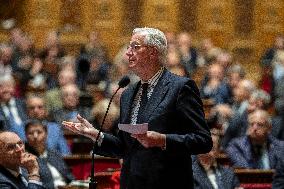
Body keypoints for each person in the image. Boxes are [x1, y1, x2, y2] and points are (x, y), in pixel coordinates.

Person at [63, 27, 212, 189]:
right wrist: (96, 135)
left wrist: (163, 140)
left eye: (135, 46)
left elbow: (203, 140)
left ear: (153, 52)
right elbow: (124, 147)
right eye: (129, 47)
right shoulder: (128, 93)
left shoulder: (180, 87)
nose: (128, 52)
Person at [24, 120, 74, 189]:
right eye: (31, 133)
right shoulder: (26, 158)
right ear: (26, 136)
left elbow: (69, 176)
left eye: (39, 132)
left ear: (46, 134)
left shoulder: (54, 153)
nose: (35, 136)